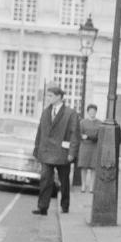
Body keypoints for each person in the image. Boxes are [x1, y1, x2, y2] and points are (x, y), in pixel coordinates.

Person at [33, 86, 80, 215]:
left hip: (62, 153)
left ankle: (65, 205)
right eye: (47, 96)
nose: (48, 98)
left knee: (64, 181)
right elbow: (40, 132)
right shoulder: (46, 112)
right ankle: (42, 207)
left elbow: (75, 134)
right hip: (46, 152)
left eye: (50, 96)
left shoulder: (70, 113)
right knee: (45, 180)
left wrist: (72, 152)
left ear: (59, 96)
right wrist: (37, 149)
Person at [78, 104, 101, 193]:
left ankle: (92, 186)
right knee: (83, 167)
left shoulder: (100, 123)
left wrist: (88, 136)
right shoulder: (82, 122)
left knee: (93, 167)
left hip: (95, 147)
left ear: (96, 112)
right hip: (85, 146)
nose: (92, 113)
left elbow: (100, 135)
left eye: (94, 111)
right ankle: (83, 185)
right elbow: (79, 134)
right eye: (90, 111)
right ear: (87, 112)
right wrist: (83, 136)